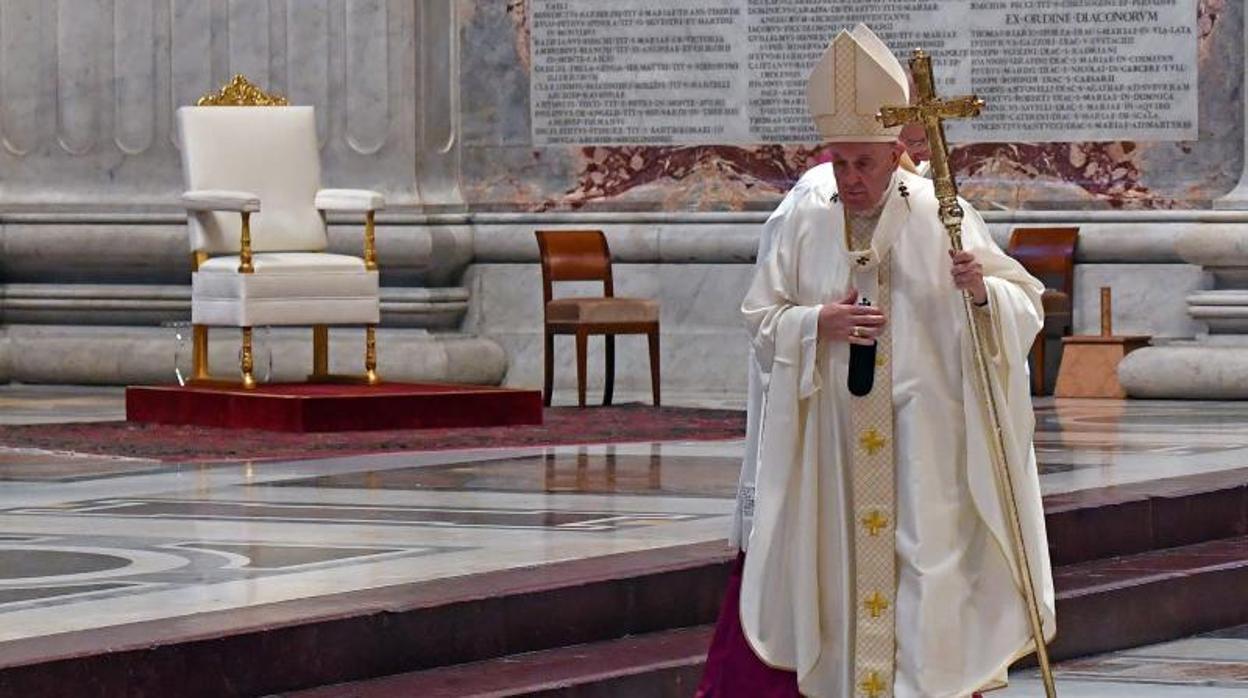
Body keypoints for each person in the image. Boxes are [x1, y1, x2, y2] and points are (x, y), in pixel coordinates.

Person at [699, 24, 1055, 698]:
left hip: (926, 447)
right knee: (839, 579)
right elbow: (761, 319)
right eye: (840, 162)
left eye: (865, 163)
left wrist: (982, 293)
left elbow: (1022, 303)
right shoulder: (808, 218)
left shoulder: (938, 214)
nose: (851, 178)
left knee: (925, 583)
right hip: (835, 448)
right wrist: (818, 323)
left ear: (897, 154)